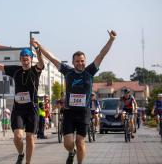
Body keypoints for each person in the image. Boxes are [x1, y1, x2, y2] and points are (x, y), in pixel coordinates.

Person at [33, 30, 116, 164]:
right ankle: (71, 152)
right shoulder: (68, 71)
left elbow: (101, 55)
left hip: (84, 112)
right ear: (73, 62)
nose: (80, 63)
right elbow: (52, 58)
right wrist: (39, 46)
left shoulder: (90, 71)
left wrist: (111, 40)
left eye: (82, 61)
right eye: (77, 61)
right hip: (69, 112)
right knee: (68, 143)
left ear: (85, 61)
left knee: (80, 141)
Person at [0, 41, 44, 164]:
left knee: (30, 138)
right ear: (20, 60)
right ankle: (20, 153)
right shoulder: (16, 70)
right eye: (23, 59)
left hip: (32, 109)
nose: (25, 61)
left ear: (31, 59)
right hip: (18, 109)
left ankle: (28, 162)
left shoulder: (36, 70)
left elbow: (41, 63)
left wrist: (38, 51)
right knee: (17, 137)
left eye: (27, 58)